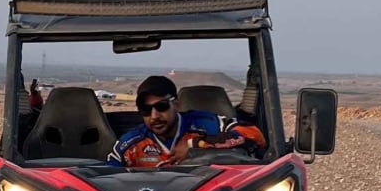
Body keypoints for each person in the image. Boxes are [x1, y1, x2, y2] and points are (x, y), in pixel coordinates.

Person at [107, 75, 265, 168]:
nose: (154, 116)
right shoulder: (131, 144)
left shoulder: (204, 124)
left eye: (161, 106)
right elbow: (108, 179)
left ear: (176, 105)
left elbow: (255, 136)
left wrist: (195, 144)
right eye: (146, 110)